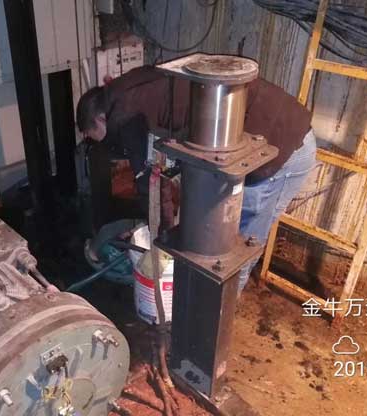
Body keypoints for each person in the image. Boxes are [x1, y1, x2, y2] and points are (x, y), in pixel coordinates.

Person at [76, 65, 316, 296]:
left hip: (281, 145)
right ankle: (209, 302)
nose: (105, 143)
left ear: (101, 119)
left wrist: (163, 238)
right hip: (263, 130)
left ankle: (219, 312)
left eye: (98, 137)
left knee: (233, 249)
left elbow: (152, 186)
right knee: (218, 233)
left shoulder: (124, 116)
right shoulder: (125, 89)